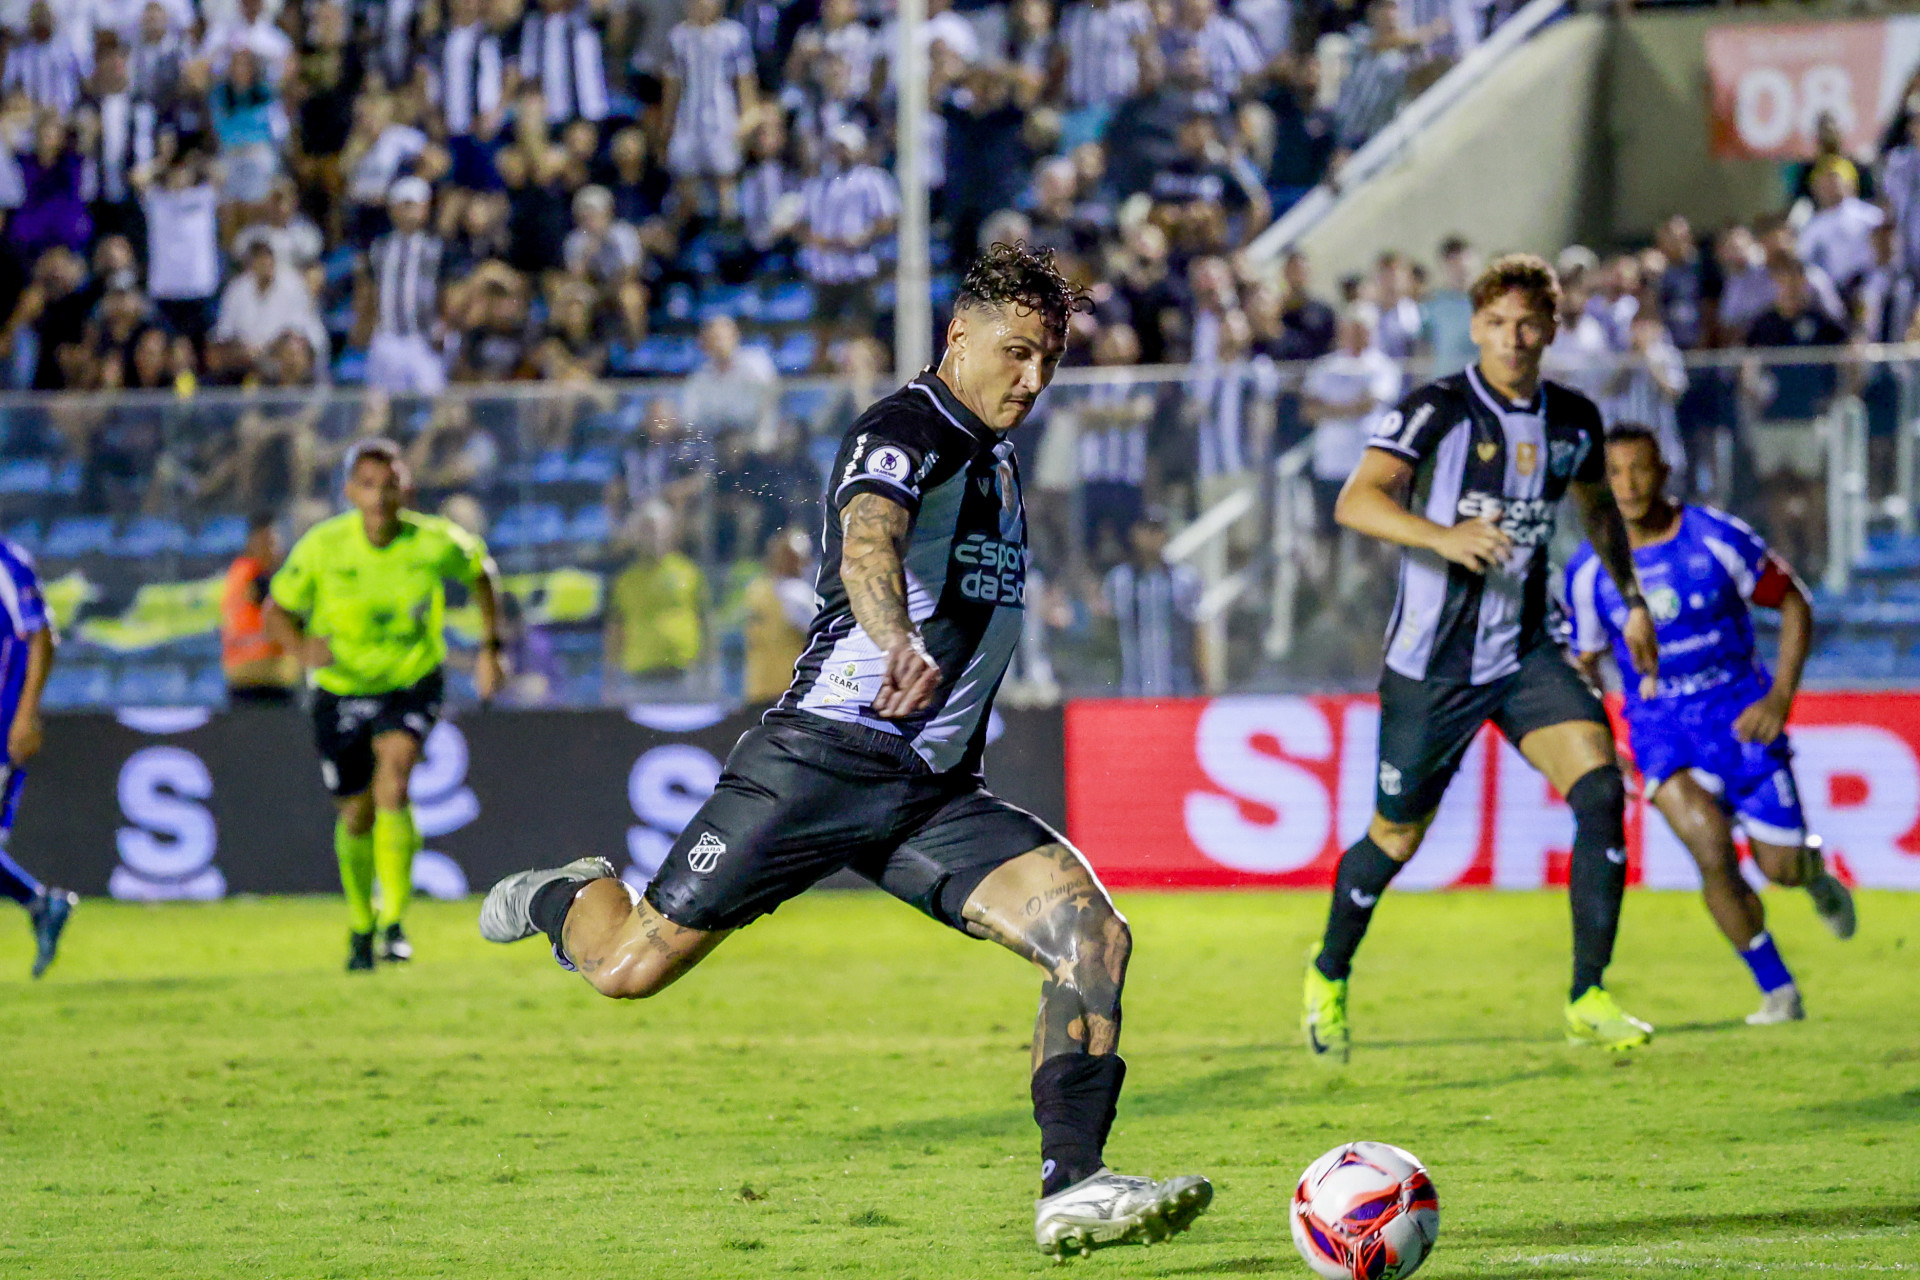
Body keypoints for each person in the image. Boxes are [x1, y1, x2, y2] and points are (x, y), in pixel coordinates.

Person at [479, 244, 1213, 1259]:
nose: (1034, 379)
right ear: (958, 338)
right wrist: (894, 639)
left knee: (1092, 935)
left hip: (932, 790)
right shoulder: (905, 427)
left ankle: (1072, 1183)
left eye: (1048, 359)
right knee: (629, 969)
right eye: (1016, 352)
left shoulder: (996, 457)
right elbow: (868, 540)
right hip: (823, 756)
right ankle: (570, 891)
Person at [1302, 253, 1662, 1062]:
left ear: (1551, 330)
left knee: (1602, 790)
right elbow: (1356, 499)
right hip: (1433, 663)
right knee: (1396, 838)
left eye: (1529, 323)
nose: (1513, 338)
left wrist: (1629, 597)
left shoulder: (1573, 418)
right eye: (1497, 323)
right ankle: (1327, 974)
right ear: (1474, 328)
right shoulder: (1436, 409)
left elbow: (1598, 511)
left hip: (1529, 649)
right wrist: (1443, 536)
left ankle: (1588, 995)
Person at [1564, 425, 1854, 1025]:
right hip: (1663, 735)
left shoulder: (1718, 539)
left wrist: (1778, 697)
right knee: (1712, 854)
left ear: (1664, 471)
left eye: (1639, 469)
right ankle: (1777, 989)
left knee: (1780, 868)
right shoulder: (1589, 571)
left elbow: (1795, 602)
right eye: (1614, 474)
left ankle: (1815, 876)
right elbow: (1584, 663)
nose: (1628, 485)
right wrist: (1603, 737)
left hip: (1743, 723)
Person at [266, 439, 504, 971]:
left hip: (409, 682)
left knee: (393, 781)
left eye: (388, 483)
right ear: (350, 491)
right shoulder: (323, 547)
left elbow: (482, 573)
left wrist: (491, 649)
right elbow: (276, 609)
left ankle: (394, 923)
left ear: (406, 489)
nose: (378, 496)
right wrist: (301, 647)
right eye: (368, 485)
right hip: (340, 688)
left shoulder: (434, 542)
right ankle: (360, 924)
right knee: (356, 815)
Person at [0, 534, 74, 978]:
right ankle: (40, 903)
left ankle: (40, 902)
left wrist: (26, 713)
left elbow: (42, 637)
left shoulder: (7, 562)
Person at [602, 501, 706, 697]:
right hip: (640, 677)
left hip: (684, 673)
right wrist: (610, 680)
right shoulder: (625, 582)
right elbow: (615, 630)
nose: (653, 536)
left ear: (671, 532)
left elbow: (705, 622)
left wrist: (711, 670)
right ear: (636, 535)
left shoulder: (689, 573)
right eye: (646, 530)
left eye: (658, 529)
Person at [1103, 511, 1204, 696]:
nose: (1152, 537)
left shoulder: (1185, 579)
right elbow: (1107, 633)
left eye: (1158, 530)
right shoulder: (1119, 580)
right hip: (1132, 690)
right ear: (1134, 534)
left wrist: (1204, 682)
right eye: (1147, 530)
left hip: (1178, 689)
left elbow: (1198, 635)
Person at [221, 512, 298, 703]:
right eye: (273, 540)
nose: (277, 547)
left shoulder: (238, 571)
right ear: (260, 538)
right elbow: (286, 605)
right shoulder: (253, 574)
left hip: (244, 672)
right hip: (261, 671)